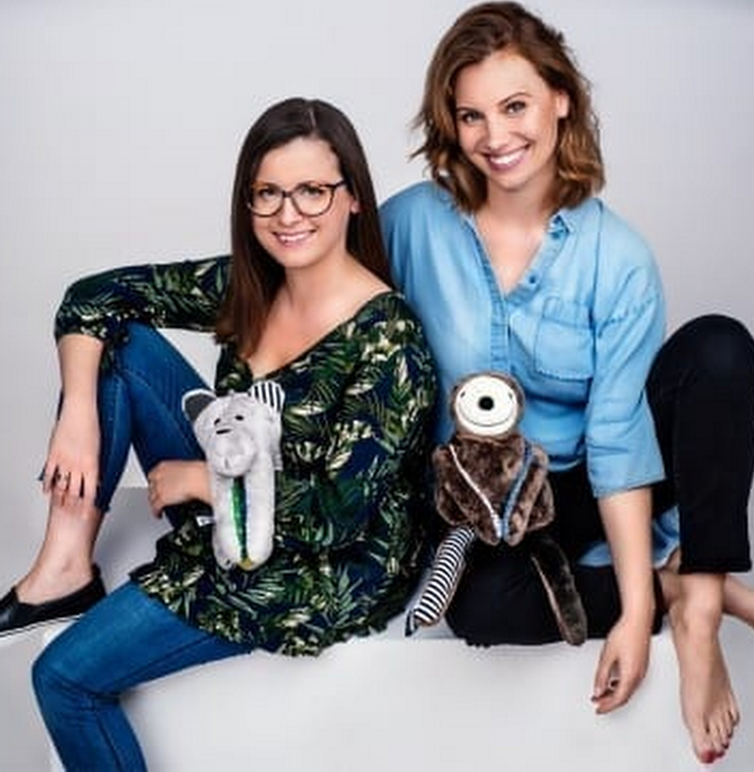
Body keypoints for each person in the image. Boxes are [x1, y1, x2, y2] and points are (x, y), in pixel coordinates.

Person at [380, 0, 754, 766]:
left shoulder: (617, 257)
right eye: (471, 116)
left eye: (515, 107)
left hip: (588, 487)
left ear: (561, 99)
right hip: (480, 503)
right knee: (482, 611)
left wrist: (631, 622)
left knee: (721, 350)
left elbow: (619, 437)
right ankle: (682, 587)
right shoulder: (409, 225)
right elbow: (327, 306)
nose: (495, 138)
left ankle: (696, 609)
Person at [9, 97, 436, 769]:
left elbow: (337, 517)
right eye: (267, 194)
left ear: (353, 197)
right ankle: (65, 567)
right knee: (120, 344)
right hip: (237, 484)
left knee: (63, 679)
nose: (288, 215)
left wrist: (204, 482)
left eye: (312, 191)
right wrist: (79, 413)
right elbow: (93, 296)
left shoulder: (388, 339)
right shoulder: (253, 285)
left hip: (320, 566)